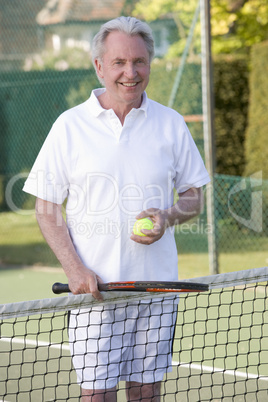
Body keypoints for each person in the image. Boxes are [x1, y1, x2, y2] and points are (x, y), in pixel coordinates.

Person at [23, 16, 210, 402]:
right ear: (99, 66)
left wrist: (170, 216)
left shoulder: (171, 124)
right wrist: (74, 269)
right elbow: (46, 208)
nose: (131, 72)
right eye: (119, 63)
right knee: (98, 398)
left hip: (155, 292)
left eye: (139, 62)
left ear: (149, 65)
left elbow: (195, 196)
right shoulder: (69, 126)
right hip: (96, 297)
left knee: (146, 394)